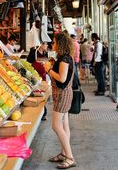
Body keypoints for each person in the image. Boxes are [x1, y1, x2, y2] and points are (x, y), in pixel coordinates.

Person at [44, 32, 76, 169]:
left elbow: (62, 78)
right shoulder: (65, 58)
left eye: (55, 42)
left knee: (56, 126)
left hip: (62, 95)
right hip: (64, 94)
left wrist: (49, 69)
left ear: (60, 44)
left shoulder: (64, 59)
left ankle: (70, 157)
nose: (53, 44)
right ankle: (64, 154)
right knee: (64, 126)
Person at [27, 42, 48, 120]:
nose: (47, 45)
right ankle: (39, 112)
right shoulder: (33, 52)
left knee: (42, 93)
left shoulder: (46, 53)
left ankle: (43, 112)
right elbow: (28, 62)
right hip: (35, 76)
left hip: (43, 76)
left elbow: (46, 63)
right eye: (46, 44)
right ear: (41, 45)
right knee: (36, 93)